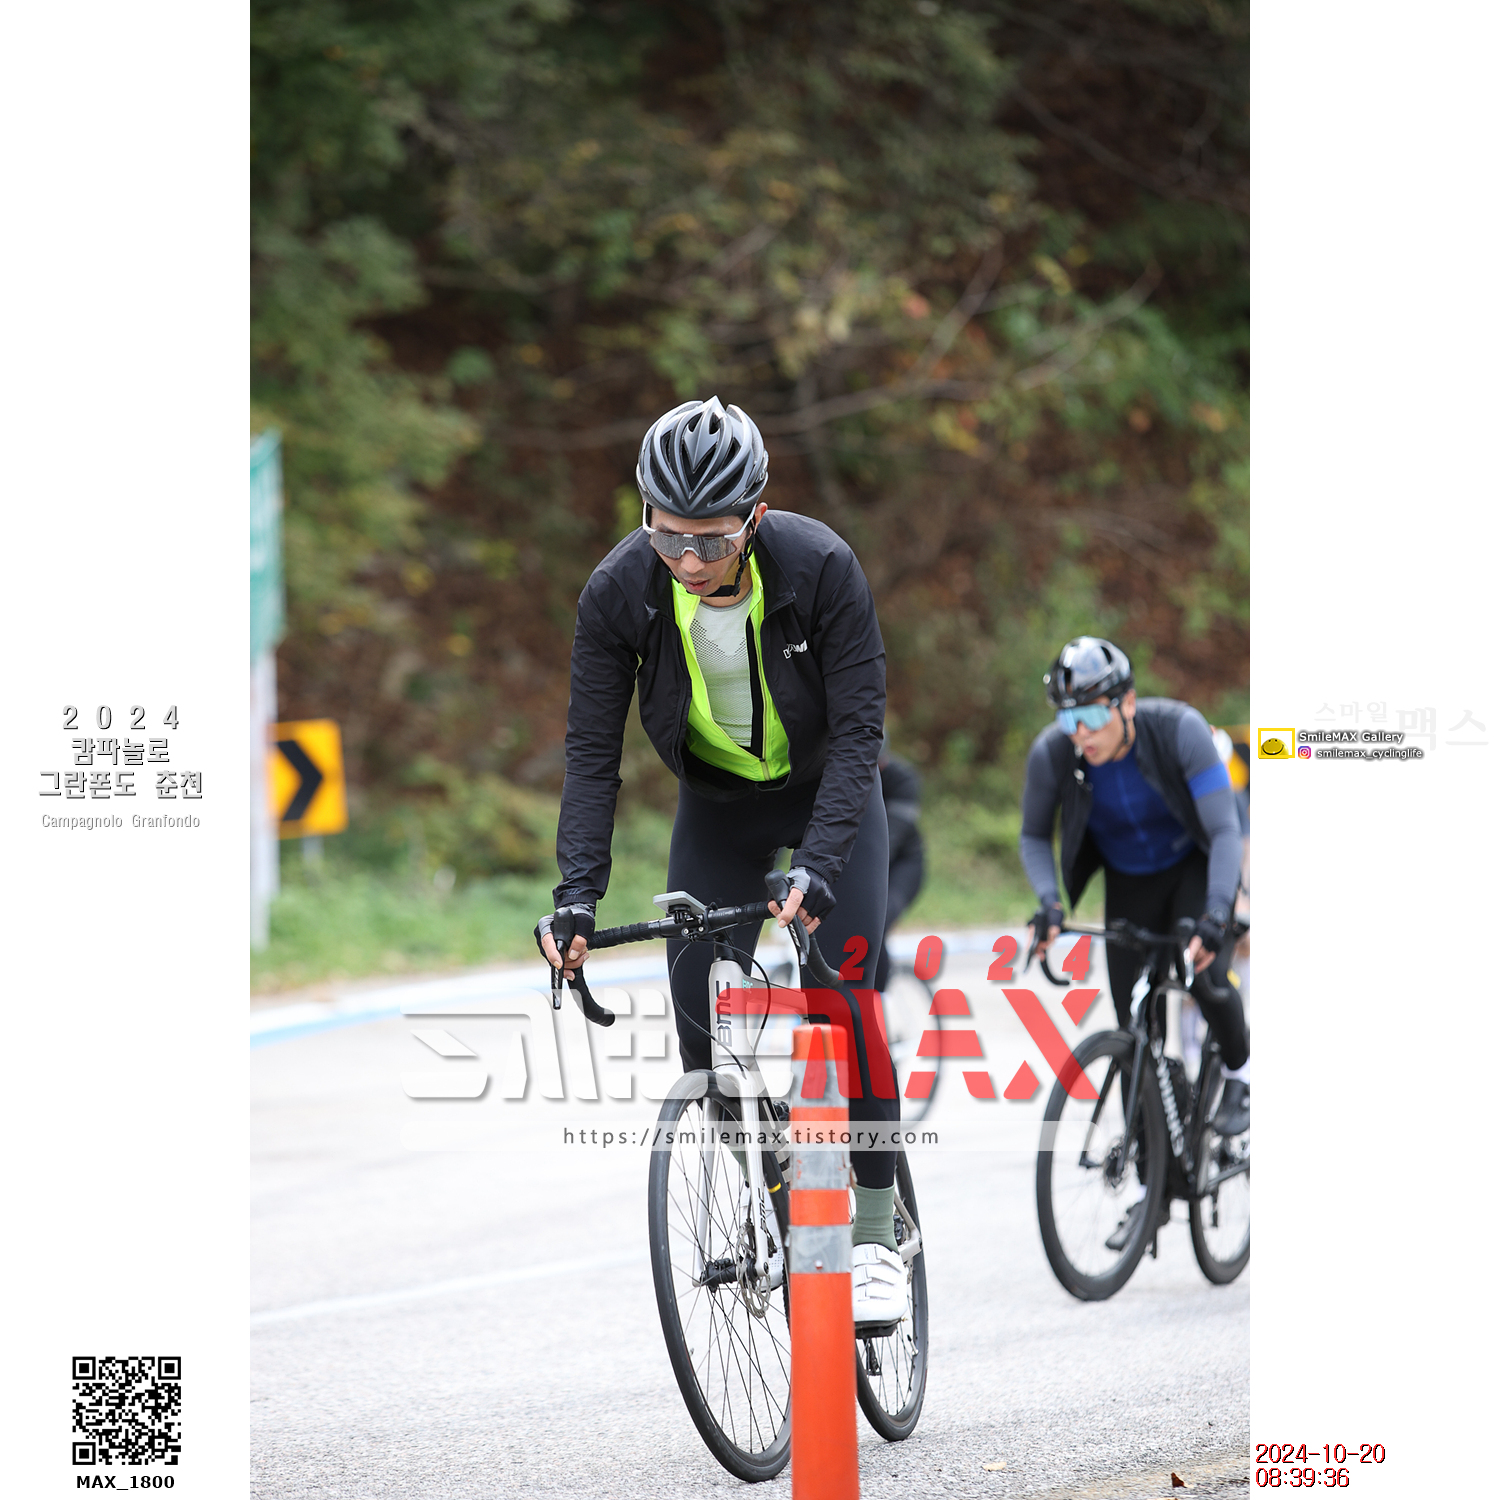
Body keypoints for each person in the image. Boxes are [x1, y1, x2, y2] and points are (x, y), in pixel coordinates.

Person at [535, 396, 905, 1326]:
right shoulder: (619, 591)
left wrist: (821, 865)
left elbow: (861, 730)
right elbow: (591, 753)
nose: (690, 562)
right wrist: (576, 896)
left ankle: (873, 1231)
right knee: (698, 1023)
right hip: (718, 808)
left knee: (844, 1001)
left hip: (828, 797)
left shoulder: (820, 566)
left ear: (756, 516)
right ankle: (779, 1187)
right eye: (668, 538)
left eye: (711, 540)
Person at [1019, 636, 1250, 1247]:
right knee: (1134, 1030)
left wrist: (1218, 912)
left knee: (1206, 978)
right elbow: (1033, 836)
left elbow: (1225, 830)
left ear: (1127, 703)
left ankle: (1244, 1074)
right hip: (1129, 884)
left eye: (1092, 714)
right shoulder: (1055, 753)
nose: (1080, 732)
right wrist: (1049, 904)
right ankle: (1155, 1187)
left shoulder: (1179, 730)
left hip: (1193, 868)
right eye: (1067, 718)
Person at [872, 735, 926, 994]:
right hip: (866, 863)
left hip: (901, 867)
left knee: (874, 923)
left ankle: (878, 998)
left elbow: (891, 838)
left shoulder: (903, 779)